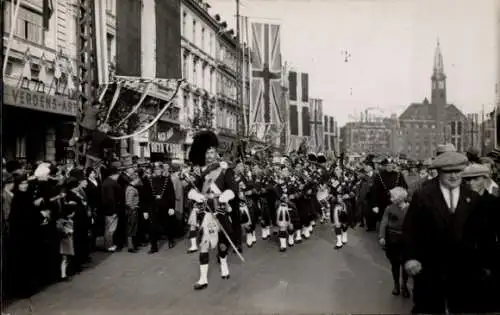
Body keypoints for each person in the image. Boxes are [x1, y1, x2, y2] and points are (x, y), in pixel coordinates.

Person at [402, 151, 492, 314]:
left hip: (464, 269)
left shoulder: (472, 197)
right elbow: (410, 229)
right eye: (448, 172)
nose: (453, 177)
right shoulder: (423, 196)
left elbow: (483, 233)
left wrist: (486, 263)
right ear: (439, 172)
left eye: (457, 172)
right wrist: (410, 258)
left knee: (462, 307)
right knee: (430, 307)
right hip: (430, 267)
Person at [186, 130, 238, 290]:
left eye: (212, 152)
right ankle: (202, 278)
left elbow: (232, 189)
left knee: (222, 245)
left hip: (220, 211)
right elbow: (190, 189)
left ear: (217, 153)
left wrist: (226, 196)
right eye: (207, 152)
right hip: (204, 212)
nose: (209, 155)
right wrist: (195, 195)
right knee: (204, 245)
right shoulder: (199, 171)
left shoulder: (225, 169)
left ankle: (223, 263)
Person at [461, 163, 500, 313]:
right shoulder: (460, 203)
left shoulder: (494, 203)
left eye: (475, 179)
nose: (470, 183)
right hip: (464, 260)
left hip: (487, 259)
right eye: (467, 180)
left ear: (484, 179)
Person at [379, 186, 410, 298]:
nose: (391, 199)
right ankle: (396, 284)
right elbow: (384, 223)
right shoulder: (389, 209)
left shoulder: (410, 209)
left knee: (406, 264)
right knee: (395, 264)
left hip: (406, 240)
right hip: (393, 239)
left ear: (400, 198)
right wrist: (382, 236)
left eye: (393, 196)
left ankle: (404, 285)